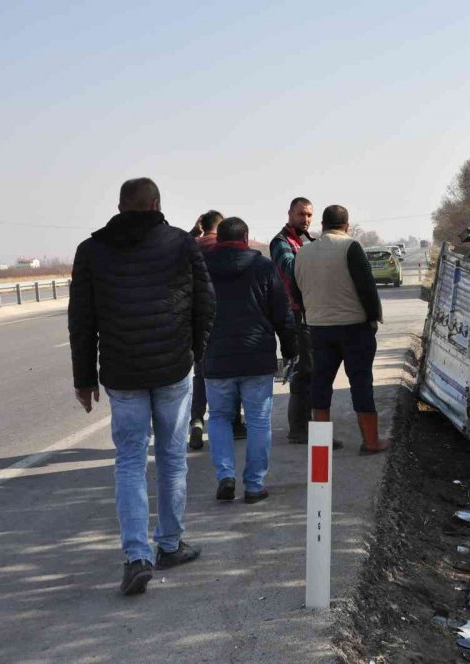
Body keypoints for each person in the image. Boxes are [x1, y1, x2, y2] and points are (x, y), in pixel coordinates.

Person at [69, 178, 215, 596]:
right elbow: (206, 304)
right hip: (172, 370)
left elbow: (82, 320)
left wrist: (84, 379)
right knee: (172, 458)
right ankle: (169, 544)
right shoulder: (180, 244)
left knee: (130, 461)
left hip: (122, 373)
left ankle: (136, 557)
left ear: (119, 206)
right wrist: (193, 353)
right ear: (156, 204)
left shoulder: (91, 250)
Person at [203, 217, 295, 503]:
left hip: (216, 358)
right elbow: (283, 312)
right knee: (258, 422)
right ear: (246, 238)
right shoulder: (264, 267)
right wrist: (291, 349)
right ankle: (254, 486)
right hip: (257, 358)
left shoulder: (203, 268)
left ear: (219, 240)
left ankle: (225, 476)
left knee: (218, 417)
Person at [291, 205, 389, 455]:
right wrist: (373, 318)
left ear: (322, 225)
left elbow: (295, 291)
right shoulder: (350, 247)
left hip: (319, 329)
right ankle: (370, 442)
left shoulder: (303, 252)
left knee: (320, 384)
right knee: (361, 382)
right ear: (346, 225)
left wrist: (312, 312)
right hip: (354, 328)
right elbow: (367, 288)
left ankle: (321, 445)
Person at [270, 197, 327, 446]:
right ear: (290, 213)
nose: (305, 219)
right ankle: (300, 431)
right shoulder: (280, 242)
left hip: (313, 314)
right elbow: (292, 270)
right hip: (296, 315)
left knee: (314, 373)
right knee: (304, 373)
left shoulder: (308, 241)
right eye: (301, 214)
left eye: (309, 215)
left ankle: (309, 429)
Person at [188, 210, 245, 449]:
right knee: (232, 372)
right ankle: (235, 423)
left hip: (197, 320)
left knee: (201, 373)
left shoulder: (191, 246)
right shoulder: (224, 247)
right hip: (228, 318)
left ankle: (197, 420)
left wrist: (193, 232)